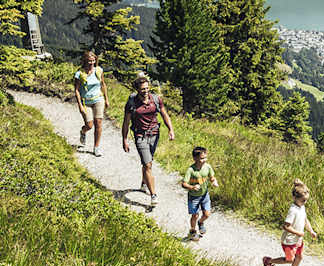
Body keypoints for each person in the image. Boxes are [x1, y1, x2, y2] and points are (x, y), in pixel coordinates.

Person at [121, 74, 174, 208]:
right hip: (140, 136)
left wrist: (170, 129)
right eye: (142, 89)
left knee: (148, 162)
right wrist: (125, 139)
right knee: (148, 164)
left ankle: (144, 182)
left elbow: (164, 114)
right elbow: (126, 122)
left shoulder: (155, 99)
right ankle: (153, 195)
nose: (145, 91)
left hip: (154, 134)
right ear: (137, 90)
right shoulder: (132, 103)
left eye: (147, 88)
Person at [263, 179, 317, 266]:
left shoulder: (301, 207)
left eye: (305, 200)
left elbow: (305, 219)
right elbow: (286, 226)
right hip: (289, 241)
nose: (304, 202)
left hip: (298, 240)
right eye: (302, 200)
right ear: (294, 198)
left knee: (299, 257)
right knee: (290, 260)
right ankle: (268, 261)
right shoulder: (293, 210)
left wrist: (311, 231)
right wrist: (298, 233)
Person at [72, 51, 108, 156]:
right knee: (89, 125)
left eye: (93, 61)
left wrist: (106, 99)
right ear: (85, 61)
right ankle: (83, 132)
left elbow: (103, 84)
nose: (91, 63)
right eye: (89, 61)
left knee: (99, 123)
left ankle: (96, 148)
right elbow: (77, 90)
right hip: (85, 101)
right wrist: (80, 105)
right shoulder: (79, 74)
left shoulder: (99, 71)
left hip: (98, 99)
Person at [180, 145, 219, 241]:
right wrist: (192, 187)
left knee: (207, 214)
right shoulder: (191, 170)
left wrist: (214, 181)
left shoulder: (207, 167)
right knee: (195, 215)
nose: (204, 160)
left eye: (205, 157)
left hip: (205, 195)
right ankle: (193, 231)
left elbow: (212, 177)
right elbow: (183, 184)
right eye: (202, 158)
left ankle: (201, 223)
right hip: (194, 197)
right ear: (195, 158)